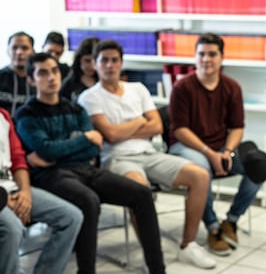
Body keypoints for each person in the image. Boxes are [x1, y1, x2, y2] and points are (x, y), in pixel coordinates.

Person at [15, 52, 165, 274]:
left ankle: (157, 268)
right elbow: (49, 148)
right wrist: (81, 139)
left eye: (55, 71)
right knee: (88, 200)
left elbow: (93, 146)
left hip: (85, 169)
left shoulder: (75, 107)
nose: (51, 78)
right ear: (31, 79)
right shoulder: (26, 114)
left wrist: (64, 148)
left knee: (142, 194)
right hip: (51, 176)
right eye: (43, 73)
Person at [78, 39, 216, 269]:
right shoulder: (88, 97)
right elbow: (110, 136)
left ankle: (188, 245)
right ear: (95, 63)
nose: (110, 65)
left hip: (150, 153)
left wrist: (126, 128)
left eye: (115, 60)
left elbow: (158, 127)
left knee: (200, 175)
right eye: (104, 60)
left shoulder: (138, 89)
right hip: (117, 159)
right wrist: (141, 120)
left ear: (121, 63)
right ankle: (152, 253)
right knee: (139, 191)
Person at [168, 33, 266, 256]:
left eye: (212, 54)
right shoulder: (182, 87)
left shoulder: (232, 87)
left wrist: (228, 152)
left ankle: (231, 221)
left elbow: (237, 127)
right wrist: (210, 154)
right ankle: (212, 227)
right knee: (201, 168)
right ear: (195, 57)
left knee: (259, 165)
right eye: (201, 54)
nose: (206, 59)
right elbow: (180, 131)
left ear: (222, 57)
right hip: (187, 147)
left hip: (222, 147)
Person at [0, 106, 83, 274]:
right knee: (13, 228)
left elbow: (18, 160)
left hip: (13, 187)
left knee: (71, 217)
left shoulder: (3, 115)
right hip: (1, 197)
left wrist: (25, 192)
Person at [0, 31, 36, 116]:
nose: (19, 52)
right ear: (8, 50)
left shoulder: (39, 80)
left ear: (33, 52)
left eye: (25, 48)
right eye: (14, 48)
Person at [61, 37, 100, 102]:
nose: (92, 66)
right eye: (87, 61)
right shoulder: (69, 84)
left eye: (95, 61)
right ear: (79, 60)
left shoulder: (106, 82)